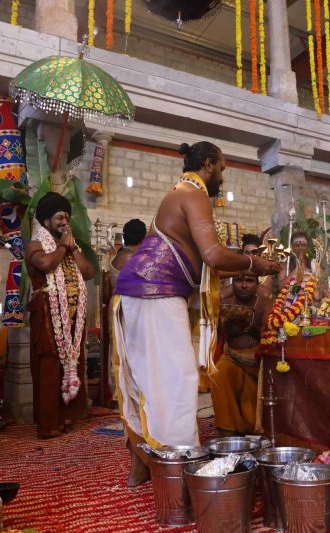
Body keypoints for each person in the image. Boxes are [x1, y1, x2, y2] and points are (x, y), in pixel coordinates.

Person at [112, 141, 278, 486]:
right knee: (176, 380)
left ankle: (144, 460)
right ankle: (178, 467)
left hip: (143, 293)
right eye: (222, 169)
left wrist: (247, 263)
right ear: (208, 164)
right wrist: (253, 263)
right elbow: (213, 255)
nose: (223, 177)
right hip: (154, 292)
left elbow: (207, 261)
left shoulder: (181, 192)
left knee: (150, 380)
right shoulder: (193, 193)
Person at [25, 192, 96, 438]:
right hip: (48, 316)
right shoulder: (35, 245)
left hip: (74, 319)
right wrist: (63, 246)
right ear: (46, 221)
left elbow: (88, 272)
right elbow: (45, 264)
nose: (64, 221)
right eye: (59, 217)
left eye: (67, 216)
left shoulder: (70, 247)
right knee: (50, 367)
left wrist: (72, 248)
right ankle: (48, 424)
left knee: (73, 364)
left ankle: (66, 417)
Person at [210, 272, 272, 436]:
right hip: (231, 355)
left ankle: (252, 429)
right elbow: (216, 334)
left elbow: (269, 336)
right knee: (219, 375)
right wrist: (224, 324)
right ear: (232, 283)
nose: (244, 285)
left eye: (249, 281)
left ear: (257, 285)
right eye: (239, 280)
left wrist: (249, 326)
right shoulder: (225, 303)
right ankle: (228, 432)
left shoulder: (266, 304)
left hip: (257, 360)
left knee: (251, 405)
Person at [102, 218, 146, 405]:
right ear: (143, 237)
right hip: (128, 305)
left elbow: (105, 291)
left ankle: (121, 392)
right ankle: (127, 394)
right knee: (128, 349)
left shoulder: (120, 256)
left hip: (119, 304)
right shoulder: (133, 258)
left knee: (120, 347)